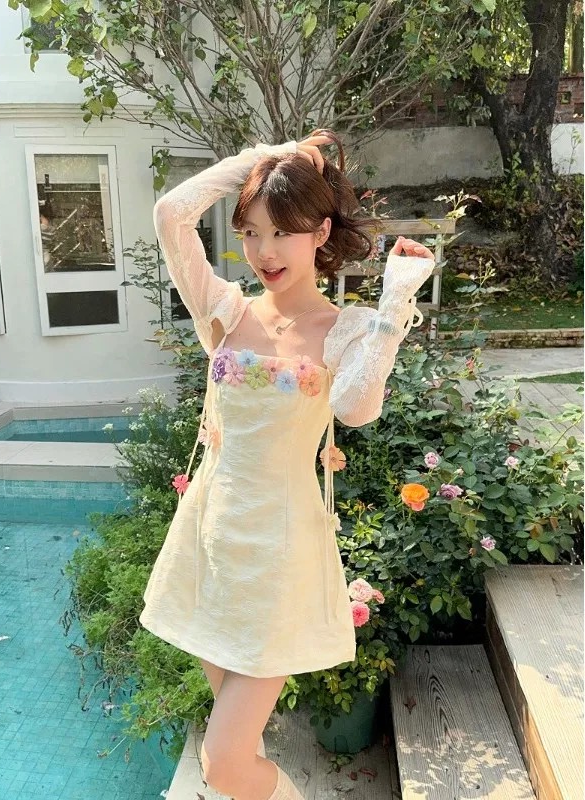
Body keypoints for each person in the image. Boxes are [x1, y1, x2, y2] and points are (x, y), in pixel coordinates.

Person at [139, 129, 435, 800]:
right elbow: (170, 213)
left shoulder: (344, 329)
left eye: (282, 233)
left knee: (222, 762)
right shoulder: (225, 309)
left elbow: (355, 408)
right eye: (251, 232)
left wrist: (394, 302)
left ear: (320, 232)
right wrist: (267, 158)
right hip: (212, 542)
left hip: (278, 554)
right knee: (242, 750)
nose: (264, 252)